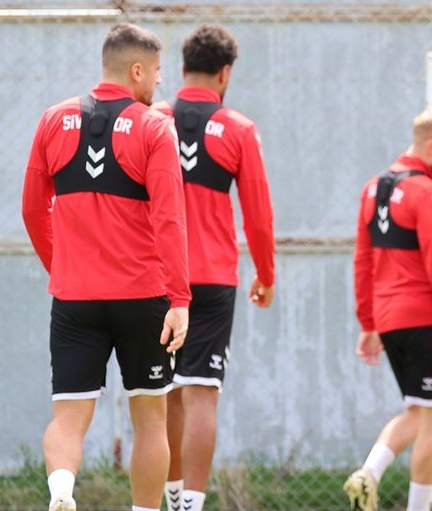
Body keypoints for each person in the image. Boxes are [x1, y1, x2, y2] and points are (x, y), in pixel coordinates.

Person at [22, 23, 191, 511]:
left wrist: (62, 268)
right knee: (151, 421)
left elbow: (32, 210)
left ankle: (61, 492)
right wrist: (180, 298)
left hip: (74, 299)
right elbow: (169, 219)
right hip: (143, 297)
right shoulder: (155, 126)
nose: (159, 81)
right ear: (137, 70)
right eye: (156, 71)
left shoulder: (52, 120)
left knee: (67, 419)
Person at [151, 24, 277, 511]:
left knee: (164, 394)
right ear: (225, 74)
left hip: (158, 278)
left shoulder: (151, 119)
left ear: (181, 69)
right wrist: (266, 274)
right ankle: (192, 504)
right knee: (202, 394)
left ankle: (169, 497)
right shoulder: (239, 128)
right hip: (213, 277)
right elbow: (259, 215)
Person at [345, 108, 432, 511]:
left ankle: (368, 474)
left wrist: (369, 322)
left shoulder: (373, 188)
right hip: (426, 320)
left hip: (390, 322)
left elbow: (362, 259)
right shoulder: (429, 193)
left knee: (419, 411)